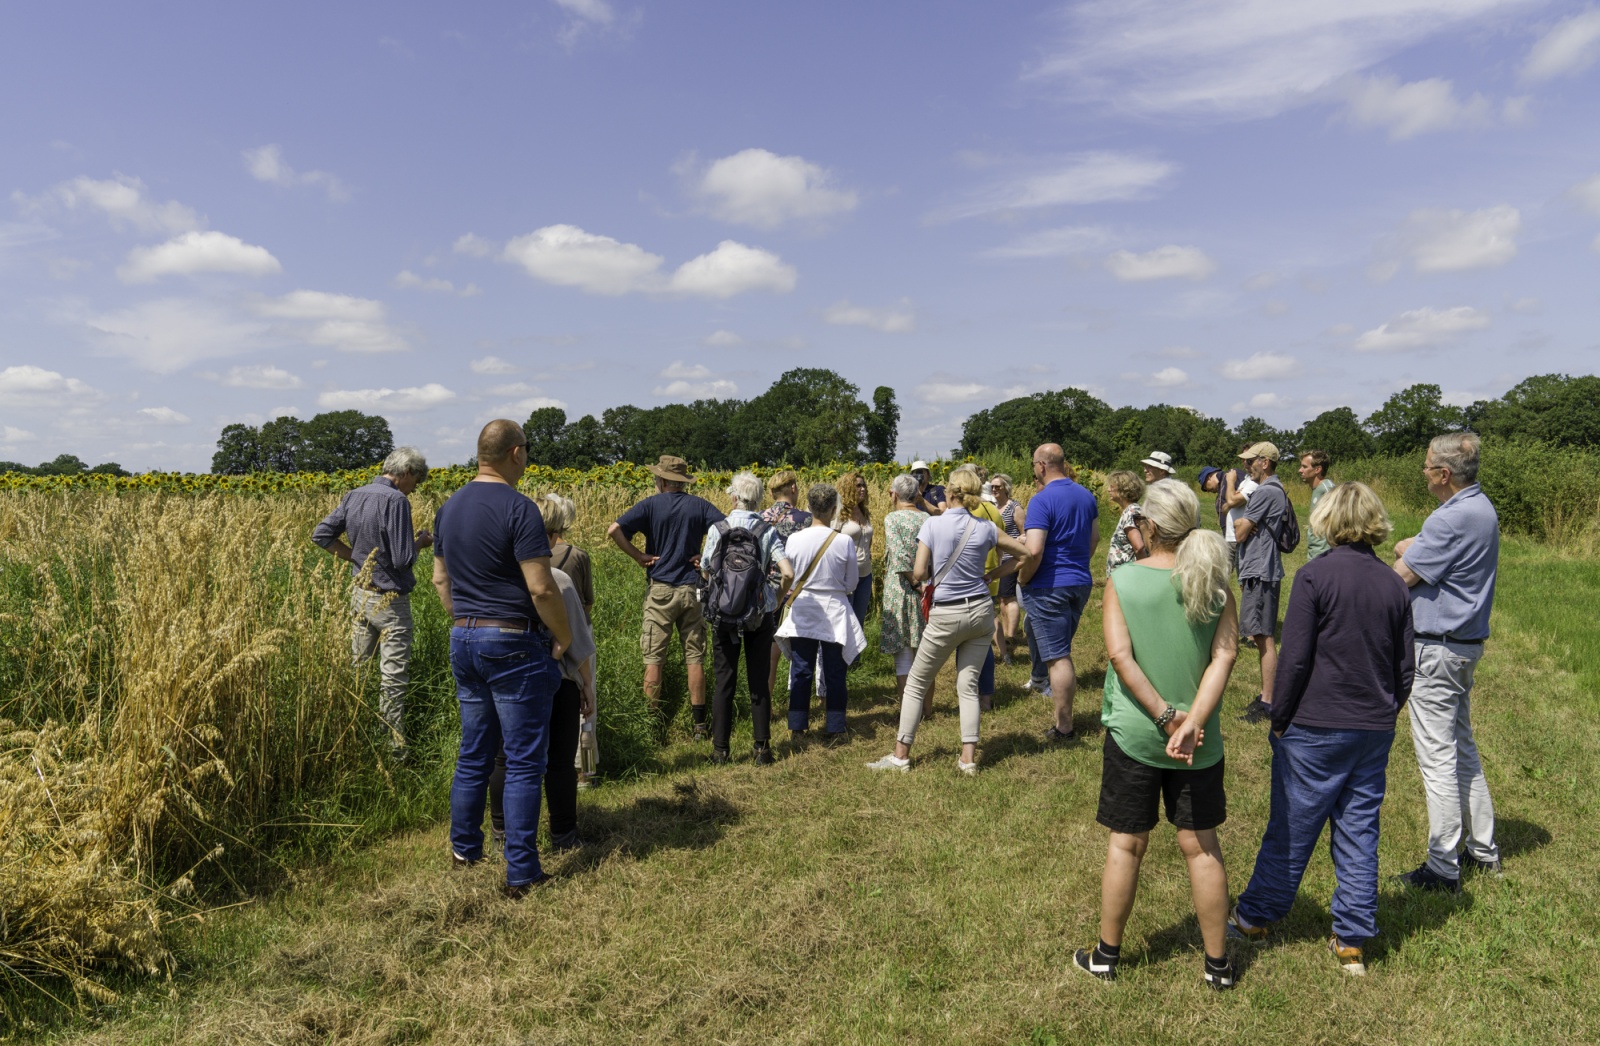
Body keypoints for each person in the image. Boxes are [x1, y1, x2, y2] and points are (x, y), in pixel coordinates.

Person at [1228, 482, 1414, 977]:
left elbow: (1294, 661)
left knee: (1292, 825)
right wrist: (1387, 710)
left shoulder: (1314, 577)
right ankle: (1351, 939)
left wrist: (1280, 719)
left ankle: (1254, 917)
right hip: (1372, 728)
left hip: (1315, 725)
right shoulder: (1394, 583)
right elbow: (1405, 666)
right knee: (1359, 830)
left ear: (1329, 520)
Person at [1073, 479, 1239, 989]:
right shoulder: (1213, 581)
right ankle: (1218, 966)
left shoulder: (1122, 581)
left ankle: (1106, 956)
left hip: (1136, 735)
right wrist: (1191, 722)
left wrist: (1166, 718)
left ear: (1147, 526)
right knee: (1201, 846)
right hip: (1199, 741)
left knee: (1126, 845)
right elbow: (1225, 654)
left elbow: (1121, 658)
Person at [431, 419, 572, 898]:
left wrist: (465, 619)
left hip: (464, 637)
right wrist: (564, 636)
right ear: (516, 453)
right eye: (527, 451)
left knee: (473, 752)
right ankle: (521, 872)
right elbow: (540, 586)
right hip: (513, 641)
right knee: (523, 761)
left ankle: (464, 850)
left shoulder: (448, 508)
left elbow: (439, 581)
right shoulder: (520, 509)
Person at [867, 470, 1033, 774]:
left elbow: (918, 573)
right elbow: (1025, 552)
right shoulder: (985, 527)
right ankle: (968, 759)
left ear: (951, 493)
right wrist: (993, 575)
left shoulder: (933, 524)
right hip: (981, 611)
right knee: (967, 686)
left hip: (946, 613)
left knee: (916, 683)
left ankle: (900, 755)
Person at [1392, 433, 1502, 892]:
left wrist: (1404, 551)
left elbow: (1402, 574)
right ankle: (1483, 850)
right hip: (1463, 645)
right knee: (1462, 750)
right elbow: (1413, 548)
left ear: (1443, 474)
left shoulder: (1451, 518)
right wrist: (1409, 546)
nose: (1423, 473)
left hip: (1437, 648)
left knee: (1437, 758)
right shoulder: (1480, 509)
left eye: (1425, 467)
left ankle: (1442, 866)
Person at [312, 446, 433, 756]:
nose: (415, 488)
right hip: (390, 601)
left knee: (358, 670)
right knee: (392, 678)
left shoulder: (355, 494)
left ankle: (356, 740)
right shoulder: (396, 500)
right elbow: (404, 559)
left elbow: (321, 535)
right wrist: (422, 542)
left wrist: (358, 559)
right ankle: (394, 750)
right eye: (416, 481)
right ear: (406, 473)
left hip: (360, 595)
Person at [607, 454, 726, 739]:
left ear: (661, 480)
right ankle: (699, 726)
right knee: (694, 657)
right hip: (693, 588)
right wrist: (706, 557)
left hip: (660, 587)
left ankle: (652, 728)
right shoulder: (698, 505)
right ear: (682, 481)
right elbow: (727, 528)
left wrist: (639, 556)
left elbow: (614, 529)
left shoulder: (650, 504)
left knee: (654, 658)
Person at [487, 558, 596, 856]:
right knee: (559, 761)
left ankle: (501, 834)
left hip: (506, 678)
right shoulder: (557, 579)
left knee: (503, 758)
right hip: (557, 679)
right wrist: (585, 682)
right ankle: (563, 834)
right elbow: (577, 637)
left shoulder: (493, 574)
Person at [700, 471, 793, 766]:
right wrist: (775, 600)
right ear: (758, 499)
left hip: (724, 615)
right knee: (758, 678)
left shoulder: (718, 528)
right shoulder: (766, 531)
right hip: (758, 612)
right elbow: (788, 572)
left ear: (733, 497)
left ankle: (720, 751)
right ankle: (762, 750)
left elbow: (705, 569)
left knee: (724, 680)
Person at [1019, 443, 1099, 742]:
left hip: (1049, 584)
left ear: (1041, 465)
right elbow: (1094, 540)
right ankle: (1063, 719)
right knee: (1061, 649)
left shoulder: (1041, 500)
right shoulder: (1086, 495)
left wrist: (1024, 578)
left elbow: (1035, 549)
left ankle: (1064, 727)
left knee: (1058, 657)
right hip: (1079, 581)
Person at [775, 483, 866, 744]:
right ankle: (836, 726)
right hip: (835, 610)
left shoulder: (794, 539)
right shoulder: (844, 541)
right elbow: (851, 584)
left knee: (801, 669)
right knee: (835, 672)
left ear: (809, 507)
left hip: (803, 608)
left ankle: (797, 727)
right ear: (834, 508)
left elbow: (789, 578)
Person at [536, 493, 600, 787]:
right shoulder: (578, 556)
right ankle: (585, 773)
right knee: (584, 716)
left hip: (536, 651)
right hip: (576, 640)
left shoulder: (516, 564)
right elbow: (586, 604)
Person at [1233, 442, 1291, 724]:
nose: (1247, 466)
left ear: (1265, 462)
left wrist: (1241, 524)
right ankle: (1268, 695)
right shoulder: (1272, 490)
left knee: (1263, 636)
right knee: (1259, 634)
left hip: (1261, 570)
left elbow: (1240, 532)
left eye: (1251, 461)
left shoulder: (1265, 492)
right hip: (1260, 569)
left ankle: (1269, 701)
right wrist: (1244, 524)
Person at [762, 470, 812, 697]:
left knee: (769, 651)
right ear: (793, 488)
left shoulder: (760, 518)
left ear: (772, 493)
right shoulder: (806, 519)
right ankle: (801, 701)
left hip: (766, 592)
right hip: (797, 592)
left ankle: (766, 703)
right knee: (802, 650)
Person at [879, 474, 928, 706]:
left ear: (894, 495)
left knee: (903, 656)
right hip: (927, 587)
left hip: (900, 589)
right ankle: (927, 709)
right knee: (924, 653)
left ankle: (909, 710)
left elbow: (899, 556)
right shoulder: (927, 518)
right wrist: (923, 585)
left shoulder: (892, 519)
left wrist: (914, 583)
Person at [832, 470, 875, 626]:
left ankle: (856, 652)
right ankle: (837, 651)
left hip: (865, 574)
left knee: (858, 622)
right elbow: (832, 542)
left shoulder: (864, 512)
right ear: (847, 488)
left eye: (863, 485)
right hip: (846, 575)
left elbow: (868, 538)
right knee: (844, 622)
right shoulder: (839, 513)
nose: (863, 489)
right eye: (858, 486)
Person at [990, 474, 1022, 665]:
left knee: (1009, 597)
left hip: (1011, 557)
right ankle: (1006, 634)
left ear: (1006, 488)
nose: (994, 490)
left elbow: (1024, 532)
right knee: (1001, 598)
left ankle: (1011, 635)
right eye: (992, 487)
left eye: (997, 487)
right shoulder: (993, 508)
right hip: (997, 558)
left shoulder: (1014, 507)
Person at [1103, 470, 1148, 574]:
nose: (1108, 490)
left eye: (1112, 486)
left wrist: (1145, 572)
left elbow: (1139, 547)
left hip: (1128, 576)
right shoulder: (1131, 510)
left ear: (1123, 488)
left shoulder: (1131, 511)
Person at [1299, 449, 1335, 561]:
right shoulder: (1318, 489)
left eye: (1304, 467)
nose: (1300, 470)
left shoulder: (1328, 490)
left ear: (1317, 469)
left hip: (1325, 556)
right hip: (1316, 555)